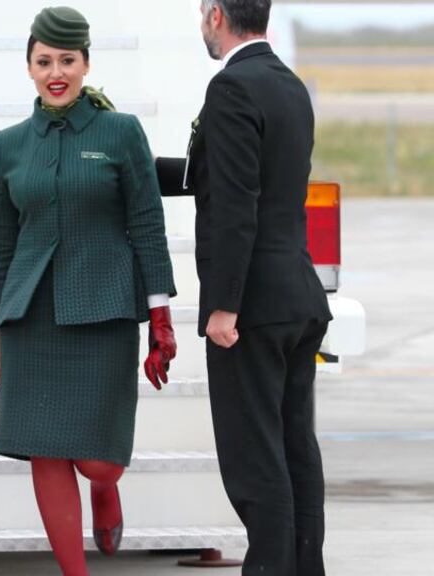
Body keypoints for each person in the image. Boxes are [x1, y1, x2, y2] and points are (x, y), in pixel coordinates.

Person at [0, 7, 177, 575]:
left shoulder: (120, 132)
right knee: (45, 449)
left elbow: (146, 222)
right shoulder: (8, 144)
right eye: (45, 62)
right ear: (29, 68)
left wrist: (159, 317)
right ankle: (74, 570)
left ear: (86, 63)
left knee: (96, 461)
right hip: (29, 316)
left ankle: (107, 491)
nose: (56, 72)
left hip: (105, 310)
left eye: (67, 60)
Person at [155, 1, 333, 574]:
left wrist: (223, 307)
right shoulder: (288, 85)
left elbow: (236, 206)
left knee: (256, 462)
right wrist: (136, 165)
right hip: (298, 298)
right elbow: (238, 179)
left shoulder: (231, 88)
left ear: (214, 16)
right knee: (295, 450)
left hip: (252, 307)